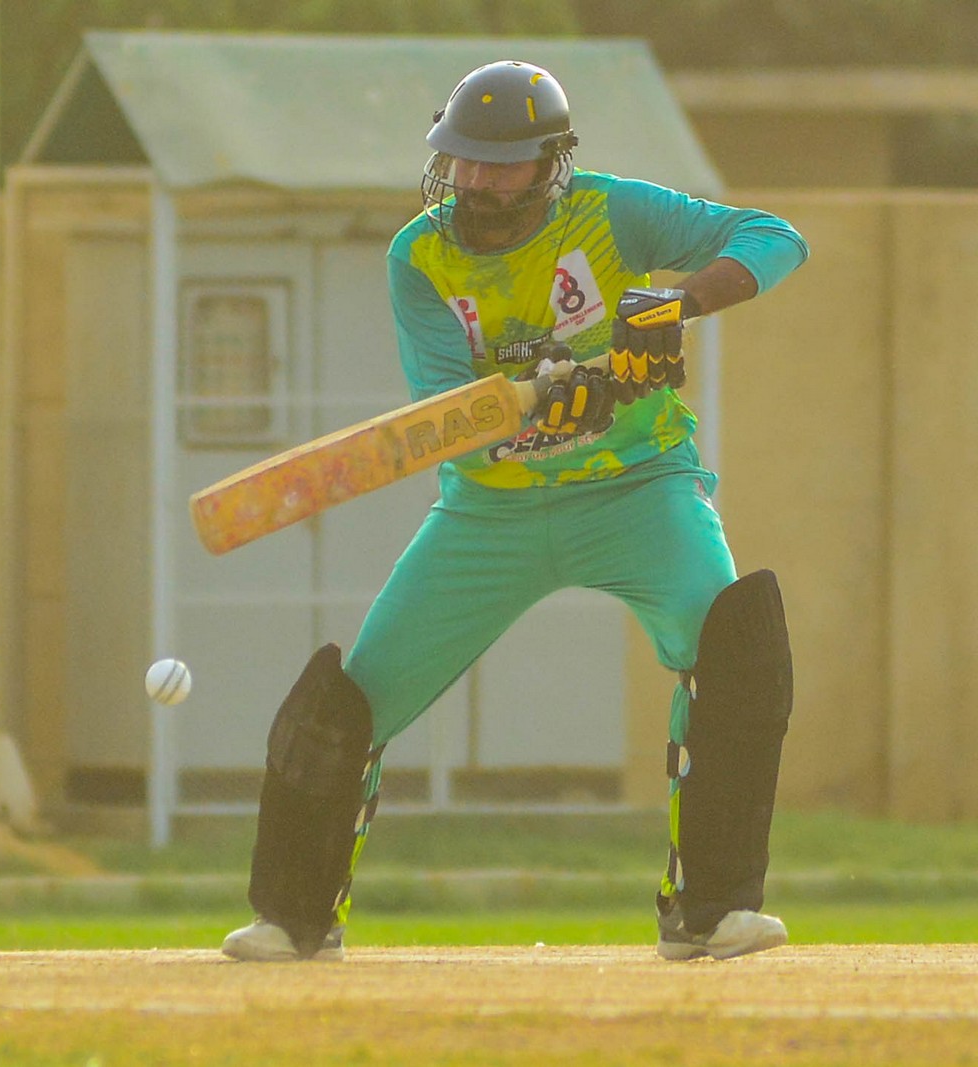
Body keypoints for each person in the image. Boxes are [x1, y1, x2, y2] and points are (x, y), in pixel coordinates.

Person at [221, 60, 809, 964]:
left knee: (733, 650)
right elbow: (442, 412)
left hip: (639, 486)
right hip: (488, 514)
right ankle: (295, 917)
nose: (477, 181)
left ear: (549, 163)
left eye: (501, 165)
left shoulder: (611, 212)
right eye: (463, 160)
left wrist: (676, 302)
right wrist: (536, 404)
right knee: (353, 697)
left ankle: (712, 910)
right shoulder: (419, 256)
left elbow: (774, 236)